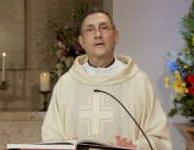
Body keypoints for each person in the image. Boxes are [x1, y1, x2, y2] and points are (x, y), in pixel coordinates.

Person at [42, 9, 172, 150]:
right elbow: (51, 137)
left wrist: (135, 147)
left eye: (104, 28)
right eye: (90, 30)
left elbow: (159, 139)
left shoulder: (139, 82)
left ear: (115, 36)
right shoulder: (66, 85)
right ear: (82, 42)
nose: (98, 35)